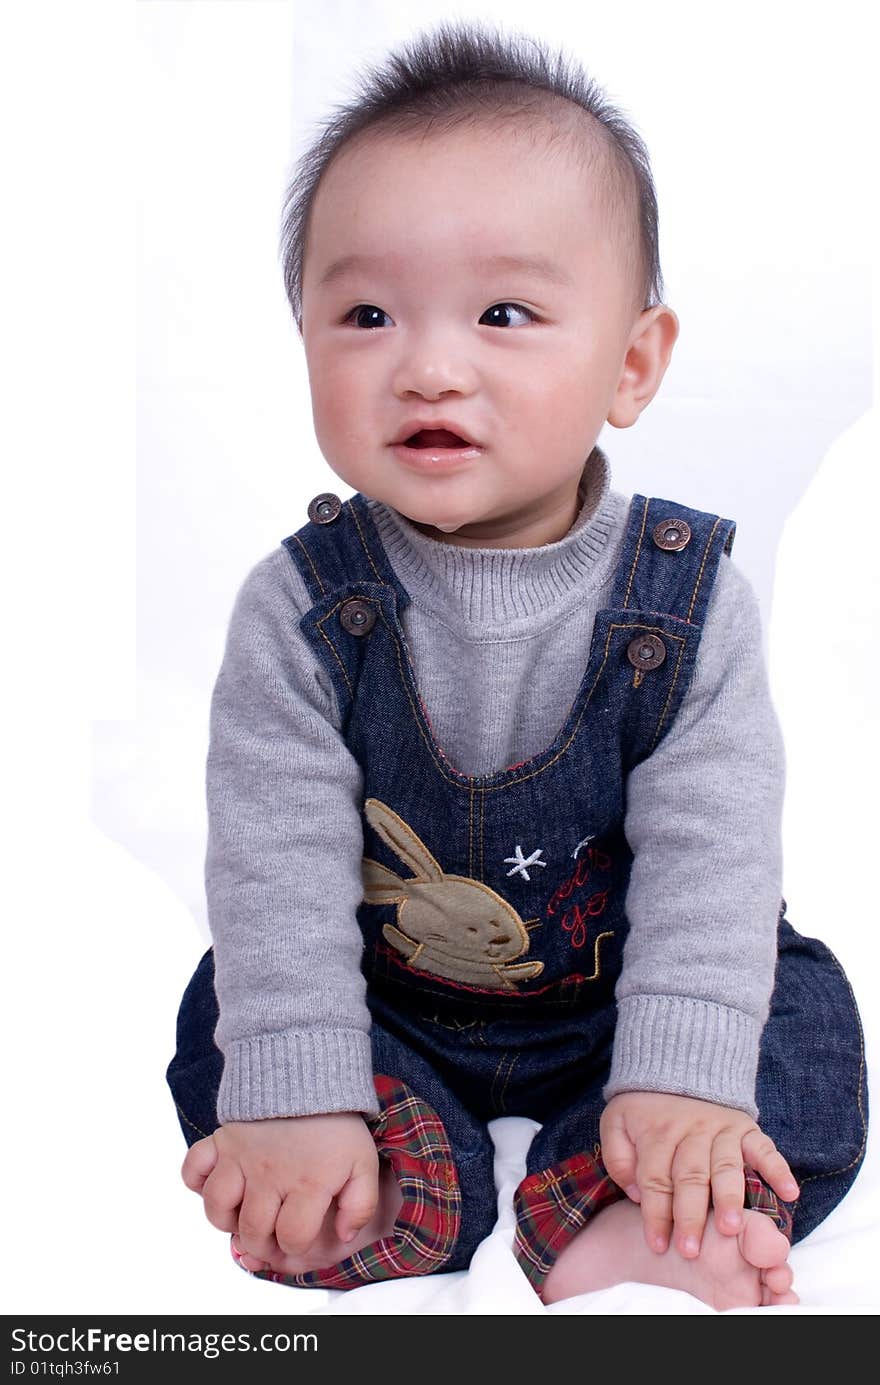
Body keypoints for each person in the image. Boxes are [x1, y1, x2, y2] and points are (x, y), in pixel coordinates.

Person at [166, 20, 867, 1309]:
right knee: (235, 1027)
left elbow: (715, 856)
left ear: (633, 364)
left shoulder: (687, 603)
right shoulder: (302, 610)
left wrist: (679, 1079)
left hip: (629, 992)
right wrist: (300, 1083)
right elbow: (273, 864)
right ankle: (369, 1178)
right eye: (366, 312)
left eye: (505, 312)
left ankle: (624, 1203)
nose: (431, 364)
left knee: (800, 1046)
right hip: (393, 1004)